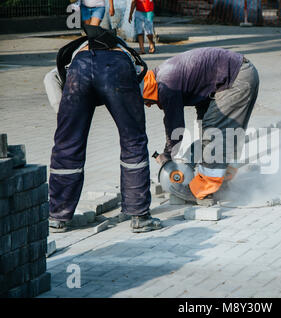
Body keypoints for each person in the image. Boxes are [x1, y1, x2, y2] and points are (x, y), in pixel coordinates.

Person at [43, 25, 161, 233]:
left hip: (78, 73)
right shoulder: (124, 52)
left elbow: (50, 79)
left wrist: (64, 120)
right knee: (133, 140)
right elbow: (139, 93)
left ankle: (57, 216)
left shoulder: (74, 54)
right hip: (117, 70)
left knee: (67, 142)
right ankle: (138, 216)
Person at [143, 47, 259, 204]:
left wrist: (168, 155)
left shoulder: (165, 85)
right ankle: (222, 183)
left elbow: (175, 125)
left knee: (214, 133)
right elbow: (202, 97)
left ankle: (203, 189)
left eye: (146, 102)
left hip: (236, 77)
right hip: (237, 73)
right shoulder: (160, 76)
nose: (149, 105)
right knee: (223, 133)